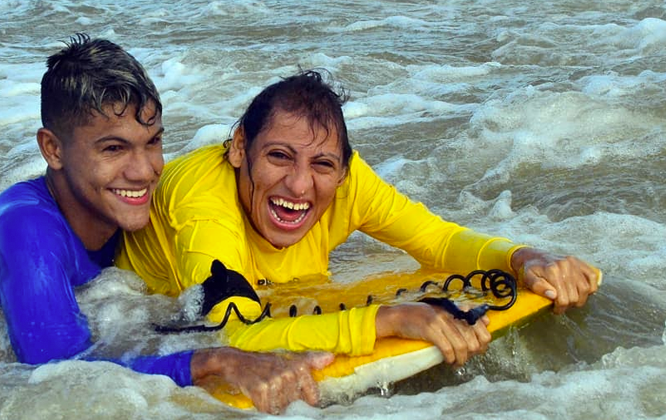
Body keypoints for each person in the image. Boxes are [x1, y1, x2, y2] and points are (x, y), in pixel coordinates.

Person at [0, 35, 332, 415]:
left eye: (153, 142)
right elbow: (60, 377)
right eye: (113, 148)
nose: (144, 172)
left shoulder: (123, 201)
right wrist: (213, 361)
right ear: (53, 149)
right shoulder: (29, 234)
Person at [117, 70, 602, 367]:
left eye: (322, 165)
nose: (301, 185)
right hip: (136, 313)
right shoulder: (203, 204)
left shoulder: (349, 179)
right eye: (279, 156)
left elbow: (436, 240)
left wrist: (525, 257)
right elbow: (229, 336)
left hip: (273, 295)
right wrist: (387, 319)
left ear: (344, 167)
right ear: (240, 148)